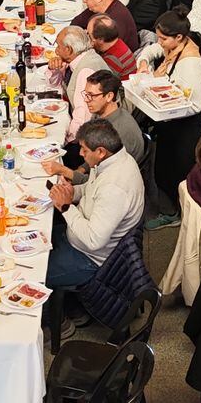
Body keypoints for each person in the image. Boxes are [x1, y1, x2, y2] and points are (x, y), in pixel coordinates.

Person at [45, 120, 144, 289]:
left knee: (31, 275)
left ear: (100, 151)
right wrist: (72, 192)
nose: (81, 154)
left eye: (84, 149)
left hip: (90, 259)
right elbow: (91, 189)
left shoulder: (114, 188)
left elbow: (93, 240)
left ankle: (53, 312)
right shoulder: (113, 159)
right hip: (76, 237)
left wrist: (66, 207)